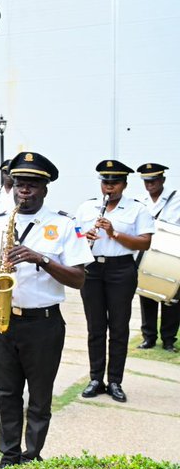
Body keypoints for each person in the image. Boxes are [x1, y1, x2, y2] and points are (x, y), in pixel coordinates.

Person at [0, 152, 91, 469]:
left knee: (39, 397)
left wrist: (41, 258)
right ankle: (9, 455)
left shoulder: (65, 225)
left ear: (45, 189)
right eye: (19, 184)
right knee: (7, 392)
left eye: (31, 185)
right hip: (2, 320)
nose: (23, 190)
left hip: (43, 325)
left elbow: (79, 279)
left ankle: (32, 455)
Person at [77, 160, 154, 403]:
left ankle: (115, 381)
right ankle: (95, 378)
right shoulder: (87, 207)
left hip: (121, 269)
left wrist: (113, 234)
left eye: (115, 183)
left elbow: (144, 243)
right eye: (105, 182)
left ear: (124, 184)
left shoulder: (137, 209)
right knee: (95, 327)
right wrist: (85, 234)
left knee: (119, 328)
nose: (109, 187)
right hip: (92, 269)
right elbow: (74, 233)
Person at [136, 162, 179, 352]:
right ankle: (149, 337)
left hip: (172, 256)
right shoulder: (140, 202)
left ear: (162, 179)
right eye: (146, 181)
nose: (150, 184)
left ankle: (169, 340)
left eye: (153, 180)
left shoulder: (177, 199)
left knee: (172, 298)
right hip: (147, 254)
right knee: (147, 296)